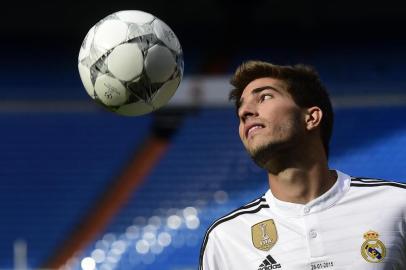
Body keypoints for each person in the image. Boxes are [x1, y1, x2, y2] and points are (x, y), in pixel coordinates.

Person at [199, 60, 406, 270]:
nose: (245, 112)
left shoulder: (398, 204)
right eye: (240, 108)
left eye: (265, 97)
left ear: (311, 117)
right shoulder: (226, 239)